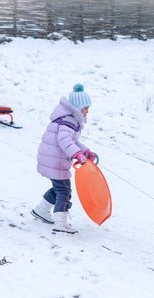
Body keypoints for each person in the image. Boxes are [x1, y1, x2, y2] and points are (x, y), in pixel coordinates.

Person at [31, 83, 97, 234]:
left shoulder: (67, 118)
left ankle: (41, 211)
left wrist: (85, 151)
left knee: (59, 188)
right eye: (85, 108)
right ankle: (60, 223)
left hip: (52, 159)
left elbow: (72, 140)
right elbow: (65, 140)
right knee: (64, 191)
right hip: (55, 160)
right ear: (77, 107)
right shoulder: (69, 120)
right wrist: (76, 154)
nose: (87, 111)